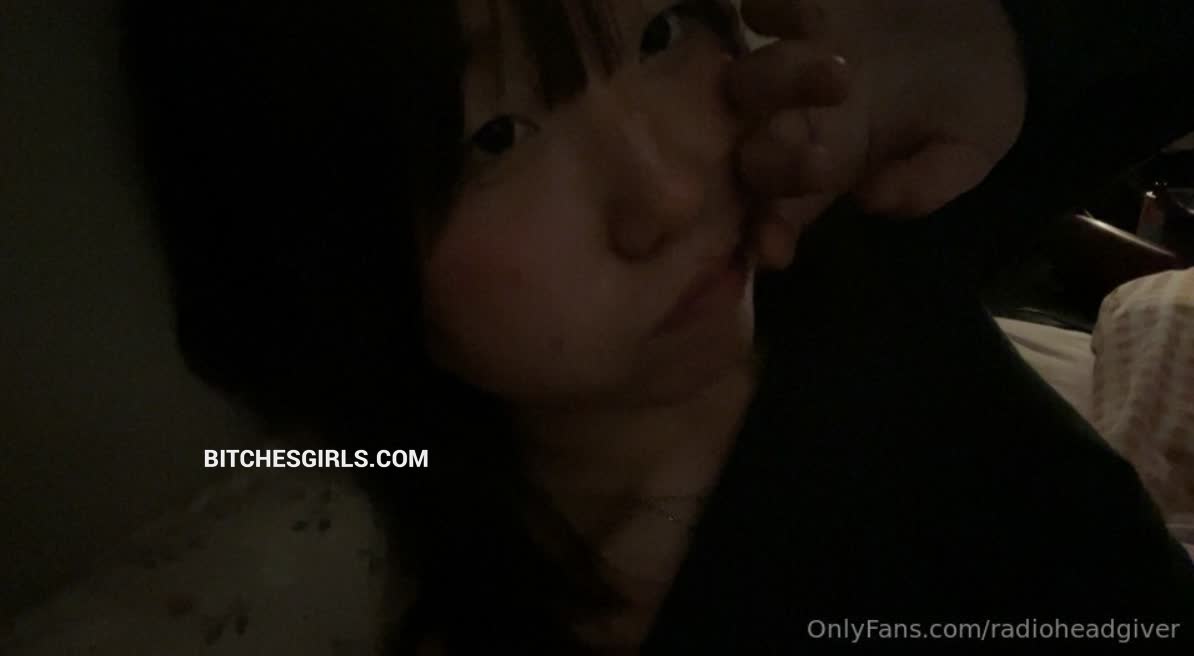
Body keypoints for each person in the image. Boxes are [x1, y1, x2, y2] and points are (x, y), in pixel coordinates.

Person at [116, 0, 1194, 653]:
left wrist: (999, 37)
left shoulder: (860, 238)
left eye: (661, 30)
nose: (672, 193)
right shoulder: (400, 522)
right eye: (496, 137)